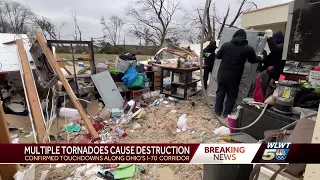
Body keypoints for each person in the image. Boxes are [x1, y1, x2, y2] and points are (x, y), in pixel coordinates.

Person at [215, 29, 264, 118]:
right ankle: (226, 114)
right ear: (244, 38)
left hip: (222, 75)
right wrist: (260, 57)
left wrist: (217, 51)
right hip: (234, 77)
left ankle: (217, 112)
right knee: (231, 95)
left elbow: (218, 56)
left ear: (234, 36)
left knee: (220, 93)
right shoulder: (248, 48)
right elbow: (253, 60)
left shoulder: (226, 45)